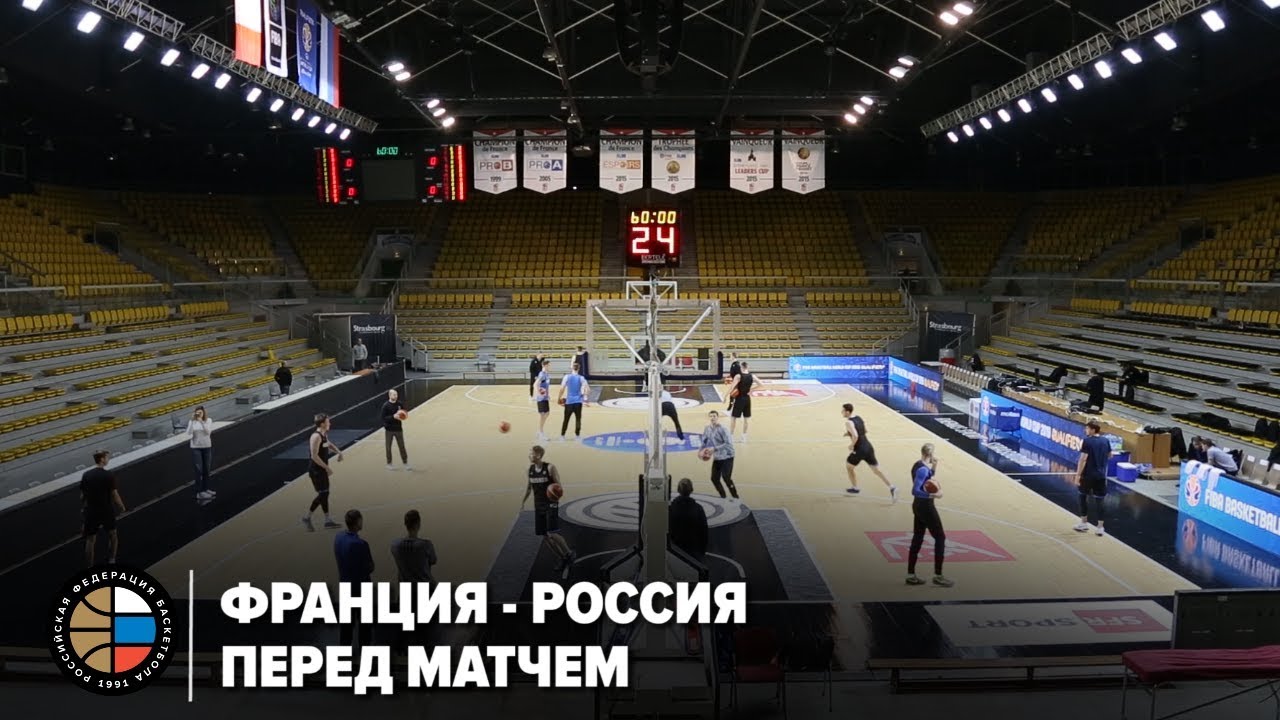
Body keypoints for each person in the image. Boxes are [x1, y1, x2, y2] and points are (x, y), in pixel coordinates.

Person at [520, 445, 576, 573]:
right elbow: (529, 487)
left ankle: (569, 553)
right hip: (538, 505)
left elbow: (558, 485)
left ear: (538, 455)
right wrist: (523, 502)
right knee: (545, 536)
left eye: (531, 453)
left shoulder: (550, 468)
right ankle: (562, 558)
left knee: (552, 533)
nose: (529, 455)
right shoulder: (530, 470)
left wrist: (555, 494)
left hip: (551, 504)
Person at [906, 443, 952, 587]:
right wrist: (935, 495)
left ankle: (910, 575)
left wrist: (934, 468)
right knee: (940, 538)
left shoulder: (918, 465)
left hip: (918, 506)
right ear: (931, 454)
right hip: (925, 506)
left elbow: (926, 481)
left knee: (918, 538)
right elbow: (915, 490)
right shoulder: (922, 470)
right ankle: (938, 575)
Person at [334, 509, 374, 647]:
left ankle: (343, 657)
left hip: (345, 586)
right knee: (365, 628)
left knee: (346, 628)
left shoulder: (338, 538)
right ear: (358, 522)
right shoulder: (361, 544)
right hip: (361, 588)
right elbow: (370, 567)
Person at [842, 403, 896, 501]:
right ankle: (892, 486)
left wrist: (851, 445)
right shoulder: (859, 418)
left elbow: (856, 435)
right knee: (876, 470)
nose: (842, 412)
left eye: (843, 411)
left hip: (859, 449)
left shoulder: (848, 422)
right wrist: (848, 433)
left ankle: (855, 488)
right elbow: (865, 431)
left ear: (847, 412)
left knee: (849, 466)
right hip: (868, 446)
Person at [80, 450, 125, 567]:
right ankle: (112, 560)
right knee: (113, 536)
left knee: (90, 540)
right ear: (102, 459)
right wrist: (122, 507)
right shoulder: (108, 475)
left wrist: (84, 509)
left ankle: (89, 566)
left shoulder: (86, 475)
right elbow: (115, 494)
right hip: (106, 510)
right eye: (107, 457)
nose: (108, 459)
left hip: (91, 511)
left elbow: (82, 496)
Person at [302, 413, 343, 531]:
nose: (330, 423)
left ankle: (326, 520)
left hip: (321, 469)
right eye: (328, 422)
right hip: (316, 470)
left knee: (325, 493)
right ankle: (308, 518)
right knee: (323, 494)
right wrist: (327, 468)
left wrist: (339, 452)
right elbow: (314, 456)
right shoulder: (316, 436)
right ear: (322, 424)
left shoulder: (324, 434)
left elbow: (328, 444)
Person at [1075, 419, 1111, 536]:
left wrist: (1078, 475)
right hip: (1101, 476)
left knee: (1082, 497)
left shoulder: (1087, 441)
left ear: (1093, 430)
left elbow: (1083, 459)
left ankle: (1084, 523)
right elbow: (1110, 455)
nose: (1085, 430)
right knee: (1100, 501)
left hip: (1088, 475)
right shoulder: (1105, 440)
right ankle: (1100, 527)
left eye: (1087, 428)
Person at [390, 509, 437, 583]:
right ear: (418, 524)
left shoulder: (395, 545)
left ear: (405, 524)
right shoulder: (426, 545)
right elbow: (433, 561)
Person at [701, 410, 739, 500]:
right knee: (714, 478)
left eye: (714, 416)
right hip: (718, 457)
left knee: (726, 478)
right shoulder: (707, 428)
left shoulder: (723, 429)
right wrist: (703, 450)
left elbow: (728, 443)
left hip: (727, 456)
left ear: (717, 417)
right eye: (711, 416)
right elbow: (704, 440)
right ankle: (723, 496)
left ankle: (735, 497)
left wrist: (714, 449)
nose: (712, 418)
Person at [668, 478, 709, 562]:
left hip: (675, 550)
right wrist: (702, 552)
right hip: (693, 551)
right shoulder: (698, 509)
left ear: (678, 490)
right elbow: (704, 532)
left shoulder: (671, 509)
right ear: (691, 490)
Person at [188, 405, 216, 501]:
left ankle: (205, 489)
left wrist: (201, 421)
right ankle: (199, 492)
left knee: (206, 469)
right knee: (198, 470)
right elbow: (188, 433)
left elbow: (208, 432)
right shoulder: (192, 422)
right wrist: (192, 421)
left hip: (206, 447)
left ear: (204, 413)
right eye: (197, 412)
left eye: (201, 412)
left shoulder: (208, 420)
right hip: (196, 448)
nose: (199, 414)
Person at [557, 362, 589, 441]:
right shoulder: (581, 378)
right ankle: (577, 436)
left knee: (566, 419)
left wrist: (559, 398)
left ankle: (562, 436)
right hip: (578, 402)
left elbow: (562, 389)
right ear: (579, 369)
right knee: (578, 419)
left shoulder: (566, 377)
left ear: (572, 368)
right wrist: (584, 397)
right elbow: (588, 389)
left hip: (569, 402)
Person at [381, 389, 411, 471]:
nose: (396, 396)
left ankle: (405, 463)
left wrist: (403, 416)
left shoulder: (399, 404)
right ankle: (389, 463)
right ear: (390, 395)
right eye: (394, 395)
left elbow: (405, 413)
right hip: (389, 430)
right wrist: (393, 417)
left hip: (398, 429)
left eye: (396, 394)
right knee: (388, 447)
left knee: (402, 447)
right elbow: (383, 418)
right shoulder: (385, 406)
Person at [727, 361, 754, 441]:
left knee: (733, 418)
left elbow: (732, 387)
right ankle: (744, 437)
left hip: (739, 399)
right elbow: (761, 384)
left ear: (741, 367)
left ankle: (731, 436)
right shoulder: (752, 376)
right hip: (747, 399)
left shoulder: (738, 376)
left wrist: (725, 396)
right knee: (746, 419)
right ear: (747, 367)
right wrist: (752, 389)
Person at [534, 358, 552, 441]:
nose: (550, 367)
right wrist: (539, 393)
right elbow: (535, 384)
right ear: (545, 365)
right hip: (541, 398)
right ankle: (541, 433)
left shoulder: (547, 374)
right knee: (542, 415)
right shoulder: (542, 374)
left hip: (545, 397)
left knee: (547, 413)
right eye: (549, 365)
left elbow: (546, 385)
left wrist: (548, 395)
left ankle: (539, 431)